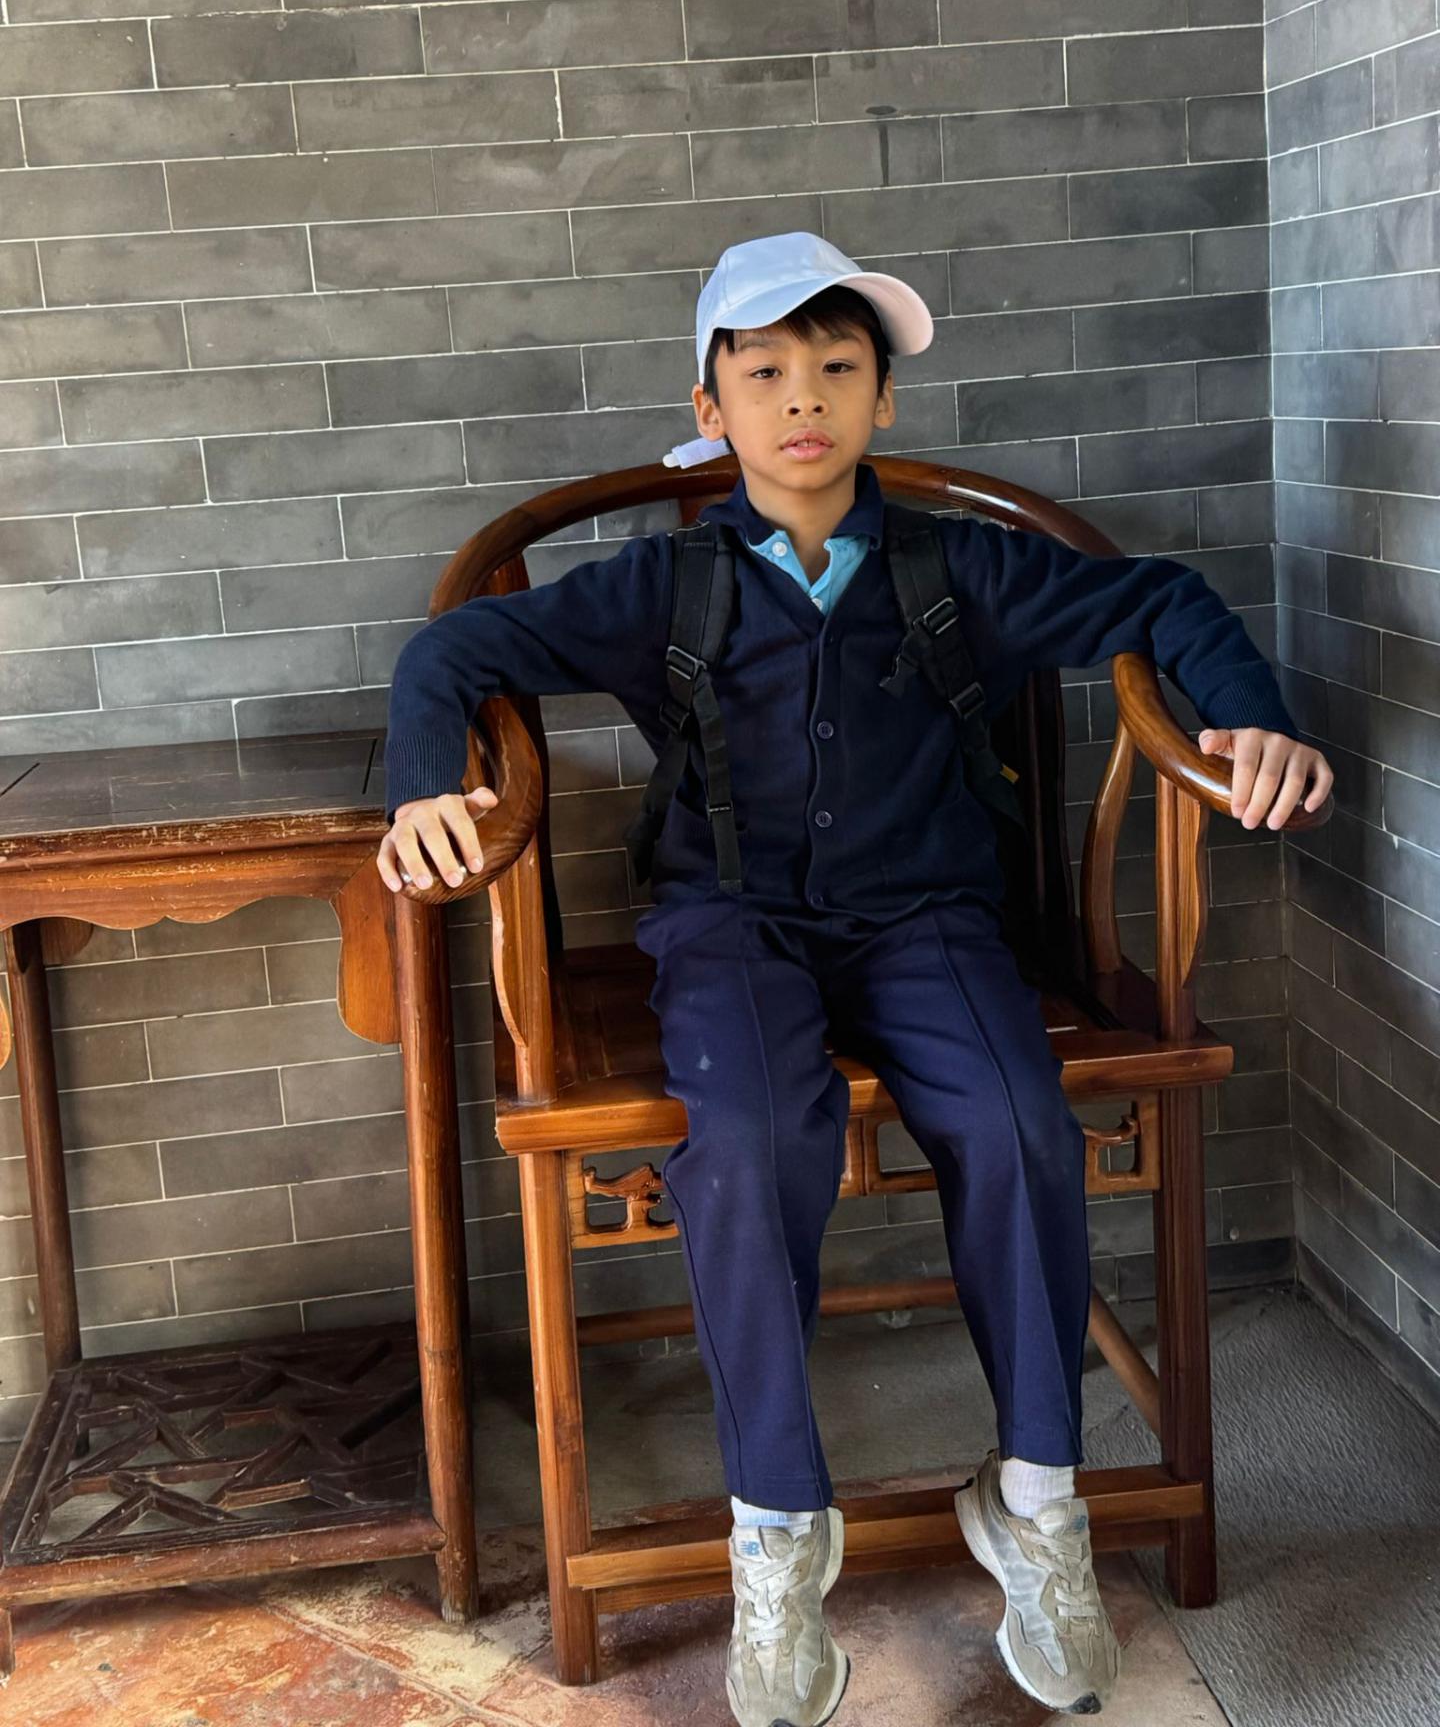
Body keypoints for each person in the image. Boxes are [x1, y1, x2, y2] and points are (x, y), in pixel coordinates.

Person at [376, 231, 1334, 1725]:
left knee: (1018, 1122)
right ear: (712, 409)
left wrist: (1251, 716)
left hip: (929, 921)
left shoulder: (959, 568)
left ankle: (1035, 1496)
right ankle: (777, 1522)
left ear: (883, 398)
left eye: (837, 368)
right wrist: (425, 785)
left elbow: (1163, 601)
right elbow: (451, 652)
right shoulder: (664, 584)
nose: (803, 399)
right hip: (728, 927)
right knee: (751, 1137)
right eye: (764, 373)